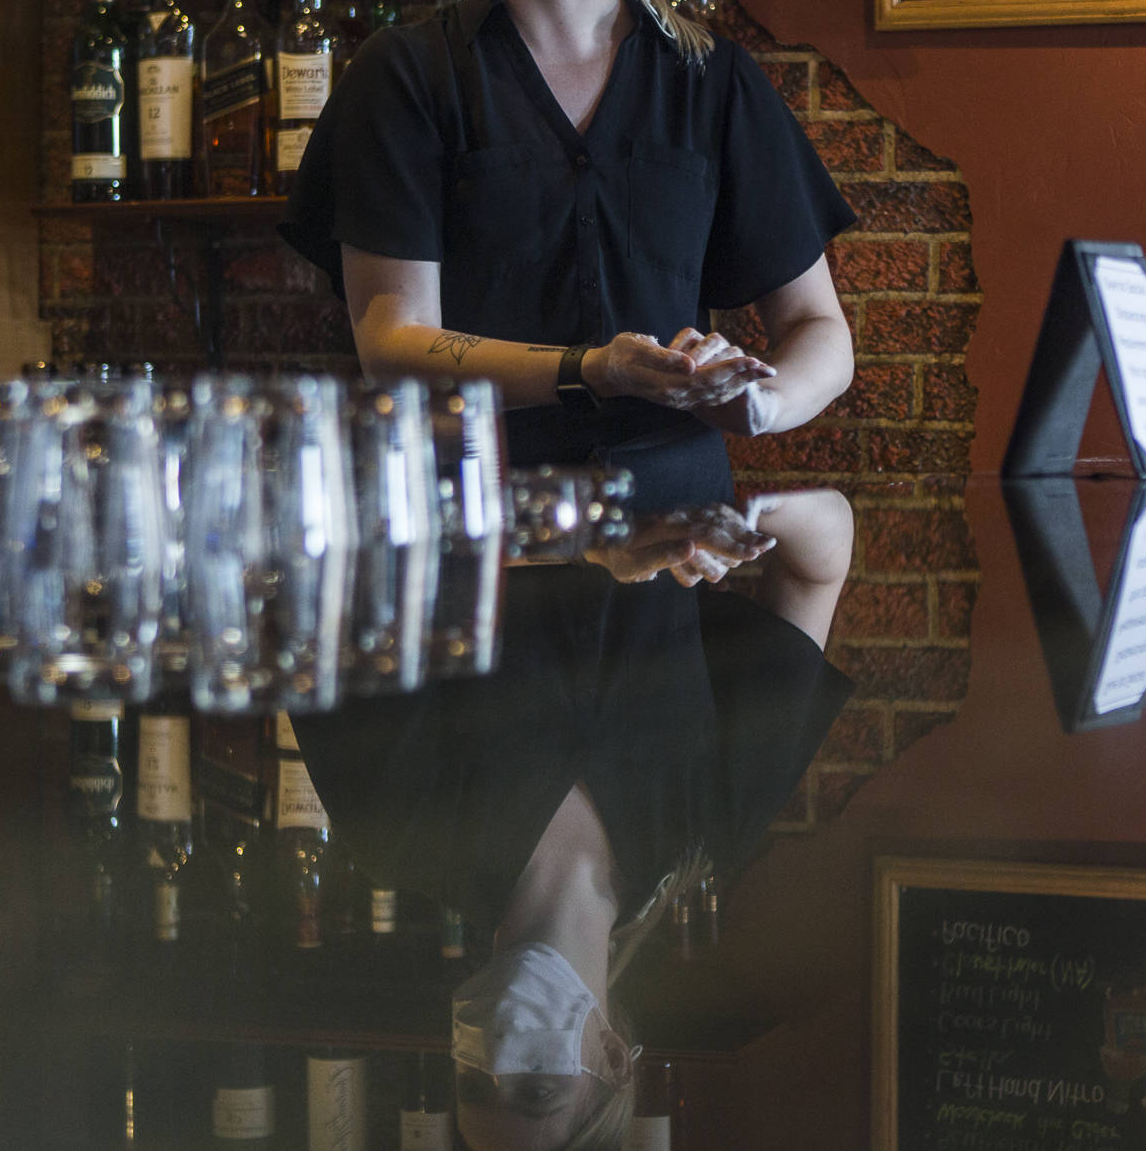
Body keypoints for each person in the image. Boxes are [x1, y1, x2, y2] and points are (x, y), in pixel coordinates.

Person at [280, 0, 856, 506]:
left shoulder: (709, 80)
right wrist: (591, 370)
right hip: (481, 525)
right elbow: (392, 343)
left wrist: (763, 400)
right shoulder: (406, 75)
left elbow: (818, 330)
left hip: (677, 532)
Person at [290, 487, 856, 1151]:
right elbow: (818, 567)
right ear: (616, 1059)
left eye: (473, 1085)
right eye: (536, 1089)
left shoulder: (401, 828)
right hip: (662, 421)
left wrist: (581, 535)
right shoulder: (709, 824)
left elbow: (336, 545)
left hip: (482, 407)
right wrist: (745, 514)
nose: (497, 1062)